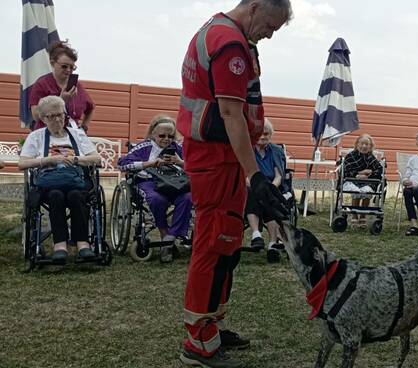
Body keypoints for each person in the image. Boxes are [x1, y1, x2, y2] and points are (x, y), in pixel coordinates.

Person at [176, 1, 292, 367]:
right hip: (217, 160)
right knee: (214, 244)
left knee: (227, 244)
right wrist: (253, 173)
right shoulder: (229, 44)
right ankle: (197, 339)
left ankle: (211, 325)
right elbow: (230, 113)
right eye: (270, 25)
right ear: (255, 7)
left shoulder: (220, 32)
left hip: (221, 158)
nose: (270, 34)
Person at [18, 95, 101, 264]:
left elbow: (96, 159)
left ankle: (83, 243)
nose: (57, 119)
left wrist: (77, 159)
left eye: (60, 114)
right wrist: (47, 160)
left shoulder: (77, 134)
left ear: (65, 114)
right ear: (42, 118)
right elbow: (22, 163)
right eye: (51, 116)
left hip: (76, 180)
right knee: (56, 196)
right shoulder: (36, 136)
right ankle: (60, 245)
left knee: (76, 196)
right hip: (49, 183)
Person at [118, 115, 193, 263]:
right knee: (156, 199)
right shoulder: (144, 147)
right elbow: (122, 164)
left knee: (188, 198)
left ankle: (170, 239)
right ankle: (165, 235)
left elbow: (196, 167)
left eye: (170, 136)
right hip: (149, 182)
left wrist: (181, 162)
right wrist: (149, 164)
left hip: (175, 184)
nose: (166, 139)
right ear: (153, 134)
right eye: (162, 135)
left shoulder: (178, 148)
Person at [246, 119, 290, 262]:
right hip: (250, 186)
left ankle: (272, 244)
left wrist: (269, 188)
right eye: (259, 133)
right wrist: (257, 187)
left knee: (270, 198)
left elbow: (279, 176)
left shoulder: (276, 151)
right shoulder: (247, 150)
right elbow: (244, 175)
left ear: (271, 135)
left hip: (272, 187)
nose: (263, 136)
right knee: (254, 194)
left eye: (266, 134)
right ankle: (256, 234)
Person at [29, 40, 95, 132]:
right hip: (48, 136)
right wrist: (61, 100)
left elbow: (91, 108)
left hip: (72, 137)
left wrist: (84, 127)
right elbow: (36, 116)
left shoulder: (77, 86)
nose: (68, 70)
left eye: (72, 67)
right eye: (64, 66)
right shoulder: (42, 84)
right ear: (52, 63)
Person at [342, 134, 383, 228]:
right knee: (356, 190)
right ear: (357, 144)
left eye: (367, 144)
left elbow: (379, 170)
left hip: (367, 181)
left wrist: (369, 174)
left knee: (367, 190)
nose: (364, 146)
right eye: (362, 143)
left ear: (370, 146)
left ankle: (363, 216)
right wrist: (358, 174)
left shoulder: (371, 158)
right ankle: (354, 215)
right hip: (352, 180)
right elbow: (346, 170)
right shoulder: (351, 156)